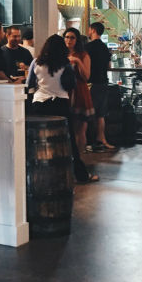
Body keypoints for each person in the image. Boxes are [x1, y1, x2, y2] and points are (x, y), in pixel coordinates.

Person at [27, 34, 98, 184]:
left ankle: (34, 175)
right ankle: (81, 176)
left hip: (39, 104)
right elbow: (69, 85)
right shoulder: (65, 64)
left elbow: (30, 85)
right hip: (60, 104)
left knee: (37, 140)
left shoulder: (36, 62)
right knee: (69, 141)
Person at [63, 27, 94, 158]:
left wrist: (78, 62)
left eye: (72, 37)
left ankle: (79, 157)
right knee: (68, 128)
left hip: (79, 91)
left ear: (77, 40)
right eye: (67, 37)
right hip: (65, 92)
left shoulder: (83, 55)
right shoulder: (61, 54)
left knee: (80, 128)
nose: (69, 40)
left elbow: (86, 76)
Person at [86, 22, 116, 150]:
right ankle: (101, 138)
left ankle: (88, 142)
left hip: (91, 84)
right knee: (101, 114)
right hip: (103, 82)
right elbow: (109, 66)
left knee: (88, 113)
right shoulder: (105, 48)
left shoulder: (87, 47)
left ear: (92, 30)